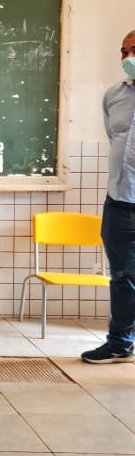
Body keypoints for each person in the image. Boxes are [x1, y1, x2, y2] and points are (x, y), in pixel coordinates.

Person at [81, 28, 135, 364]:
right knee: (122, 277)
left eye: (134, 50)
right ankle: (120, 342)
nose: (128, 58)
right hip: (119, 200)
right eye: (124, 51)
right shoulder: (114, 95)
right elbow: (115, 139)